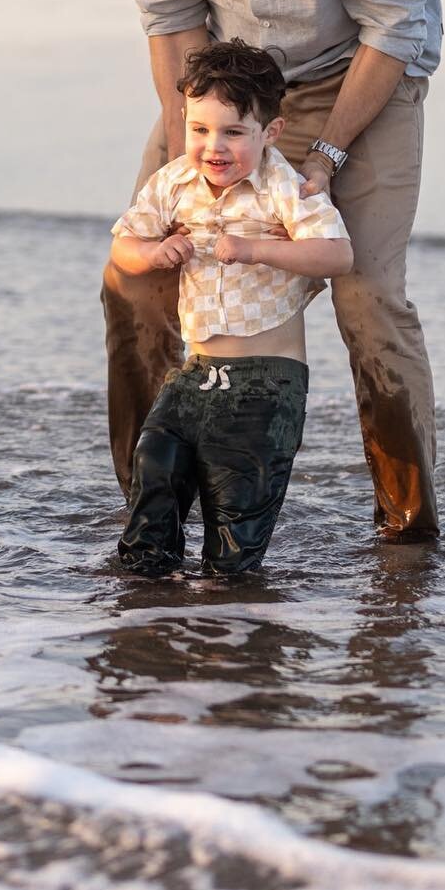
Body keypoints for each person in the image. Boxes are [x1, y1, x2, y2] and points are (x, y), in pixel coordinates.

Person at [91, 0, 443, 542]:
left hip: (363, 80)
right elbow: (172, 23)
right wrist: (189, 162)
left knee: (366, 300)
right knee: (134, 278)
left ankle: (408, 534)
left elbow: (395, 28)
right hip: (228, 92)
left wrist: (321, 159)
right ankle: (152, 513)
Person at [111, 40, 353, 574]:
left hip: (263, 385)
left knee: (236, 524)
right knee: (154, 469)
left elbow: (337, 254)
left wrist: (256, 248)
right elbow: (122, 246)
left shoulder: (285, 187)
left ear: (270, 133)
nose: (213, 146)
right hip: (194, 375)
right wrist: (152, 252)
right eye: (200, 129)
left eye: (233, 132)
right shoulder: (174, 181)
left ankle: (234, 615)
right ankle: (146, 599)